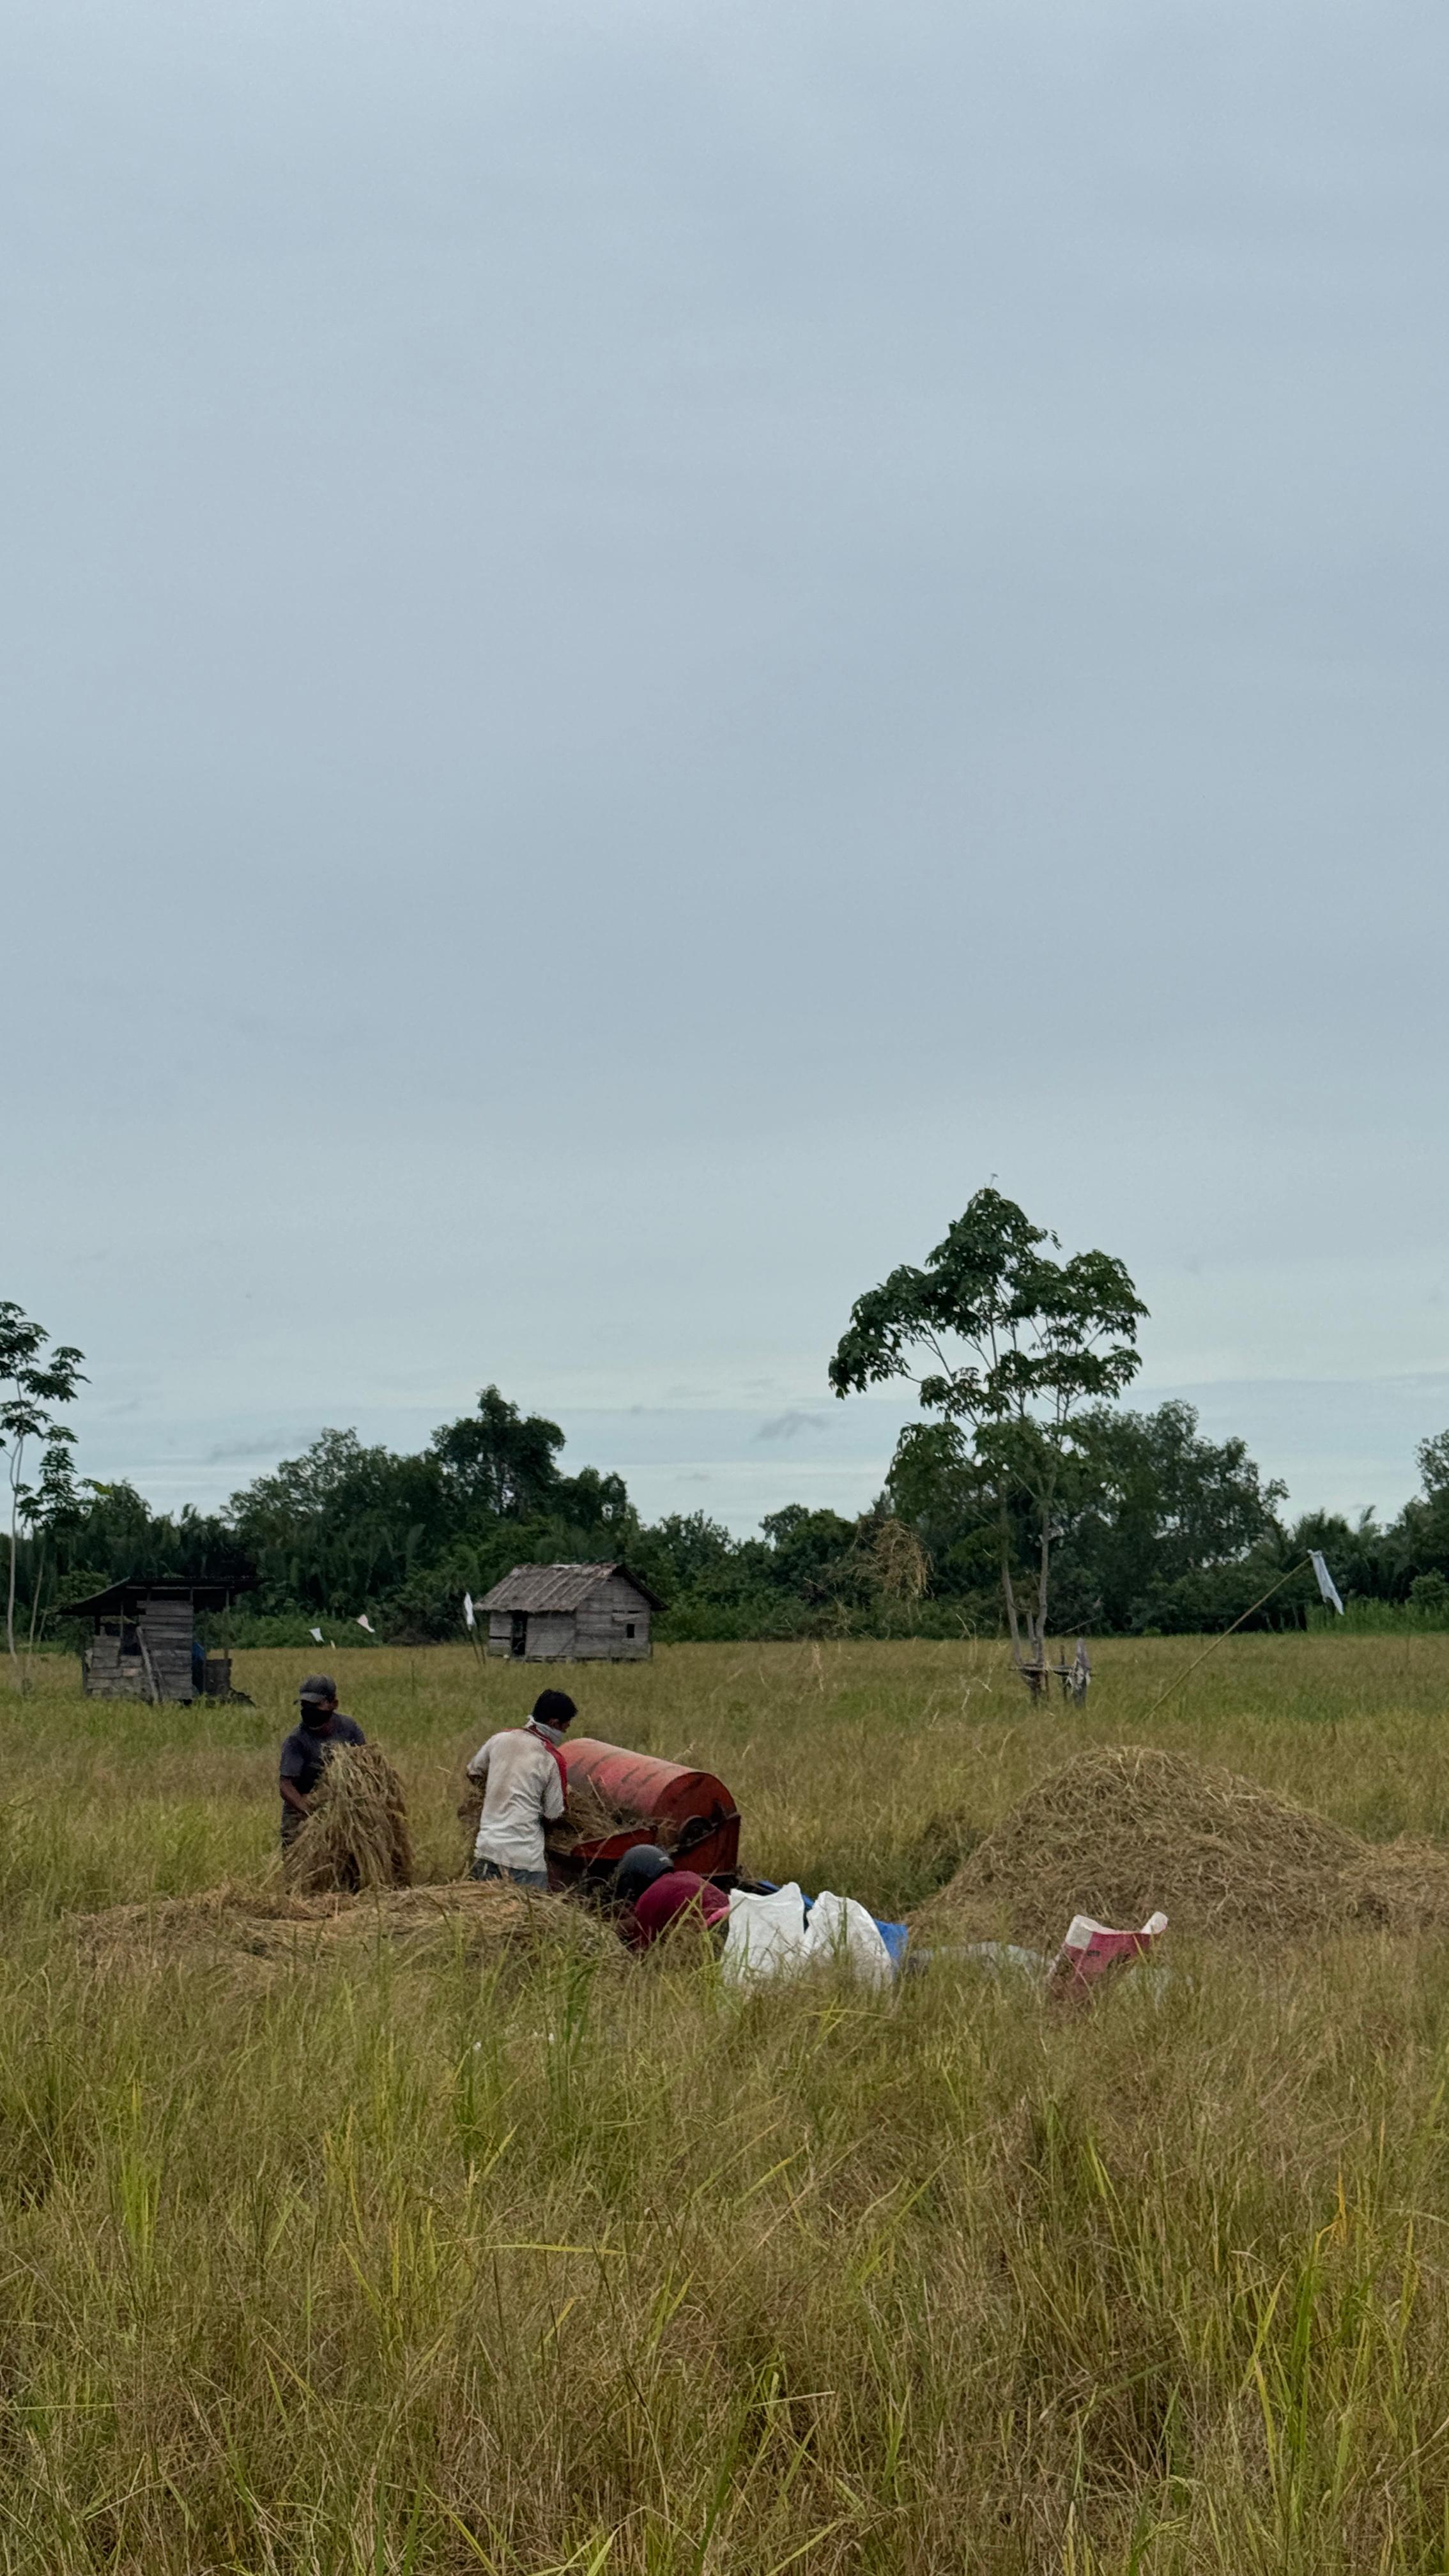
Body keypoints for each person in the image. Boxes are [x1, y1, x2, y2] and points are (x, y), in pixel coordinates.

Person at [465, 1688, 578, 1890]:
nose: (564, 1733)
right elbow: (554, 1814)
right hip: (524, 1859)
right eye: (565, 1728)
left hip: (486, 1849)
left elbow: (474, 1772)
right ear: (554, 1724)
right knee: (532, 1915)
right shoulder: (551, 1758)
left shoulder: (499, 1739)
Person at [279, 1675, 366, 1847]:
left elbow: (365, 1765)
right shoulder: (296, 1740)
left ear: (334, 1705)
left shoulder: (349, 1728)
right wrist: (310, 1811)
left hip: (343, 1804)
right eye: (305, 1705)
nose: (309, 1710)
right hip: (303, 1809)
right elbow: (286, 1785)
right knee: (300, 1862)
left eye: (316, 1705)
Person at [613, 1843, 731, 1952]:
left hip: (711, 1933)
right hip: (734, 1918)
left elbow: (644, 1951)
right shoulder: (687, 1875)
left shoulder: (649, 1898)